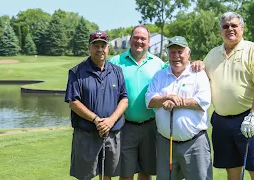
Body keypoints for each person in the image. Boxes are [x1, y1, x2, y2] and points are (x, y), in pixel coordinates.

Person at [145, 36, 212, 180]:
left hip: (194, 144)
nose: (176, 56)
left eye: (180, 52)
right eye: (173, 52)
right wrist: (165, 99)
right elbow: (149, 101)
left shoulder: (198, 74)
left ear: (188, 53)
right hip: (165, 143)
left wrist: (177, 102)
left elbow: (203, 102)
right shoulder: (160, 75)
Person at [65, 30, 128, 180]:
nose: (100, 49)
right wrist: (96, 120)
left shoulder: (117, 72)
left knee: (107, 175)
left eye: (103, 45)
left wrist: (110, 121)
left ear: (108, 48)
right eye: (96, 45)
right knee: (84, 176)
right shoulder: (77, 72)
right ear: (89, 48)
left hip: (111, 132)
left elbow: (124, 99)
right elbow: (73, 102)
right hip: (86, 134)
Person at [109, 25, 165, 180]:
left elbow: (178, 72)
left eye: (143, 39)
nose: (139, 41)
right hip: (125, 126)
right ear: (130, 39)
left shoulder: (158, 64)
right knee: (126, 173)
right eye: (136, 37)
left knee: (146, 172)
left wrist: (198, 64)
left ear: (148, 42)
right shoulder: (116, 62)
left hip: (150, 126)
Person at [203, 12, 254, 180]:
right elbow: (202, 80)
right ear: (220, 30)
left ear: (242, 28)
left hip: (249, 119)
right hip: (222, 121)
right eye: (225, 26)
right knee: (232, 172)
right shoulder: (212, 54)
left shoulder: (251, 49)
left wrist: (253, 115)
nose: (230, 29)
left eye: (234, 25)